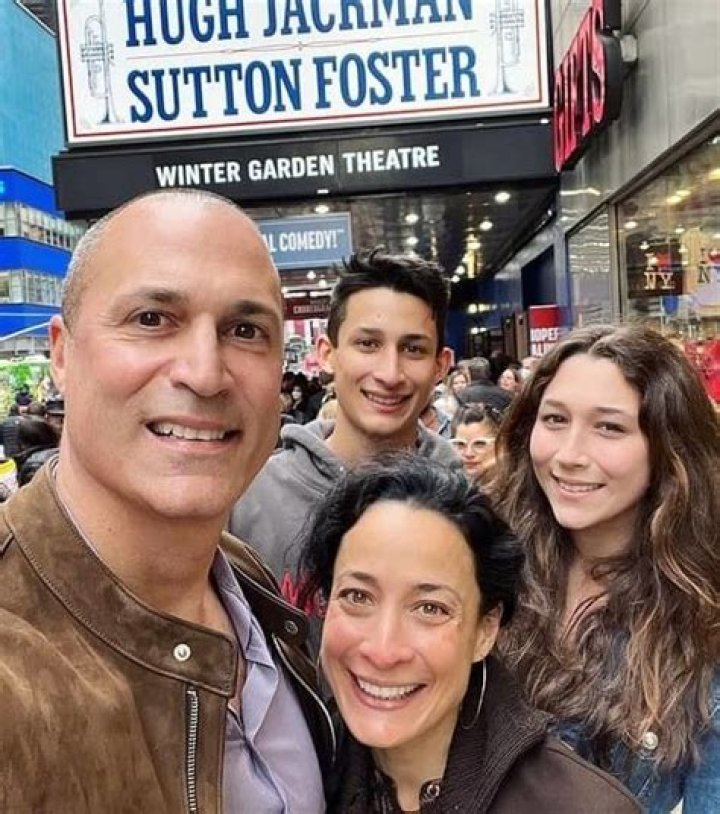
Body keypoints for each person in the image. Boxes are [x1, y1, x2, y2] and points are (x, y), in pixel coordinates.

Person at [0, 189, 332, 812]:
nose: (204, 373)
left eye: (245, 331)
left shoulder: (247, 580)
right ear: (63, 353)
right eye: (152, 319)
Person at [299, 454, 641, 813]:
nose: (383, 651)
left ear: (485, 630)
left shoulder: (582, 807)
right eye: (357, 597)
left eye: (430, 608)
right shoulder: (289, 776)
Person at [490, 324, 720, 813]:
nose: (569, 455)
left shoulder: (705, 618)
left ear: (668, 446)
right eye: (555, 419)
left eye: (609, 428)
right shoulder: (483, 563)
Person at [229, 249, 459, 609]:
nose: (389, 374)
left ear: (440, 366)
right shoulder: (248, 499)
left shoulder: (473, 503)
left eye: (413, 349)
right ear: (327, 354)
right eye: (368, 344)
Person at [450, 403, 502, 484]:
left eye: (479, 444)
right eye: (461, 444)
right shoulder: (449, 485)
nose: (468, 453)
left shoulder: (518, 485)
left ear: (501, 444)